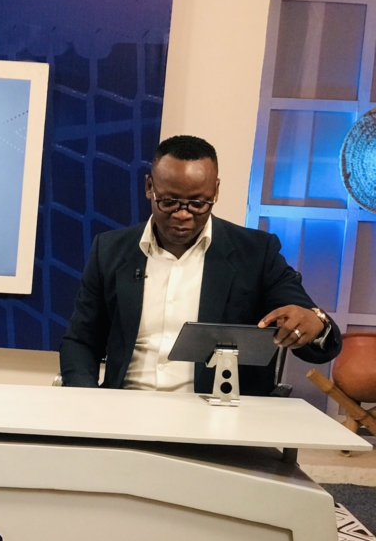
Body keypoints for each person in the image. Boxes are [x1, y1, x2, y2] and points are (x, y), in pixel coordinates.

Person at [60, 134, 341, 395]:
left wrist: (315, 324)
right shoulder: (110, 250)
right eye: (169, 202)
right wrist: (88, 401)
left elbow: (317, 338)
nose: (183, 214)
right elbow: (81, 341)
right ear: (149, 187)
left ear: (215, 191)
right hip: (127, 406)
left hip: (217, 415)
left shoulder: (256, 253)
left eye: (198, 203)